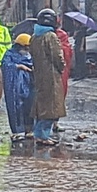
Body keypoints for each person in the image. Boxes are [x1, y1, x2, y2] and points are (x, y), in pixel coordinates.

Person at [28, 8, 66, 144]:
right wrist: (62, 67)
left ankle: (39, 133)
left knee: (41, 105)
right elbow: (57, 56)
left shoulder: (34, 37)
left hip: (39, 75)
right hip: (51, 76)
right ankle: (42, 135)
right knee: (51, 107)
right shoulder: (51, 36)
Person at [2, 31, 34, 142]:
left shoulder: (31, 55)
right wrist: (18, 66)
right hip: (14, 87)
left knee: (29, 107)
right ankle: (17, 131)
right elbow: (6, 66)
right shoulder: (10, 54)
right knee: (16, 108)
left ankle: (29, 129)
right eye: (26, 47)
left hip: (29, 85)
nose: (27, 49)